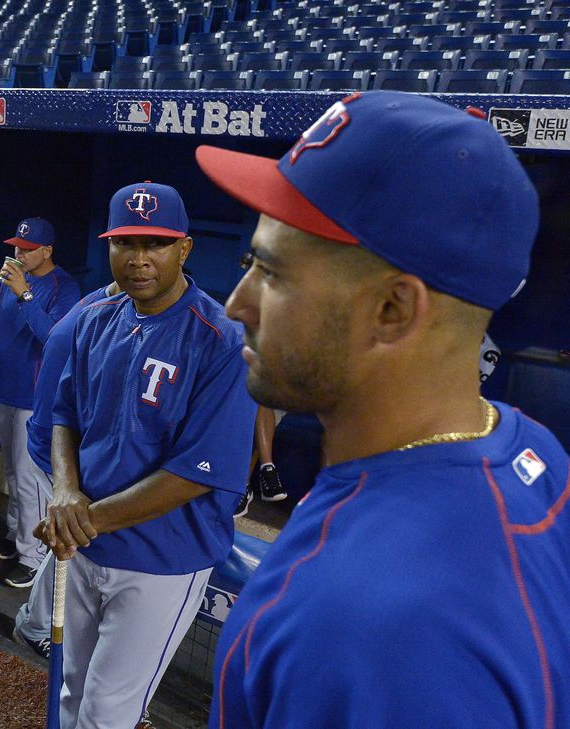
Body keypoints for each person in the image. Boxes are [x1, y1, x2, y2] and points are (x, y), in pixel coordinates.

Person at [196, 91, 570, 727]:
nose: (237, 304)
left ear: (393, 310)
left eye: (273, 273)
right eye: (248, 263)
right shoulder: (534, 450)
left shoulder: (368, 631)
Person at [39, 182, 257, 728]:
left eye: (155, 244)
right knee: (70, 688)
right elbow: (64, 413)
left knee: (107, 713)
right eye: (125, 243)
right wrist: (64, 490)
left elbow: (194, 474)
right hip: (85, 544)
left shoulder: (220, 340)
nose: (138, 259)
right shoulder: (95, 318)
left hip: (162, 558)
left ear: (184, 248)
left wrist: (83, 520)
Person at [0, 216, 80, 588]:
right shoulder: (10, 280)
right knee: (13, 473)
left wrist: (25, 294)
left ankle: (33, 557)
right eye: (17, 247)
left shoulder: (65, 287)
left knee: (30, 478)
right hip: (2, 388)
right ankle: (17, 534)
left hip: (35, 397)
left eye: (28, 250)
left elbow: (54, 339)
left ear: (47, 251)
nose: (19, 254)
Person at [13, 280, 119, 658]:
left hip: (56, 444)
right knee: (71, 542)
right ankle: (35, 625)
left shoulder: (100, 304)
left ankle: (38, 621)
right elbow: (64, 414)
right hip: (55, 450)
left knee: (68, 540)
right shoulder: (88, 321)